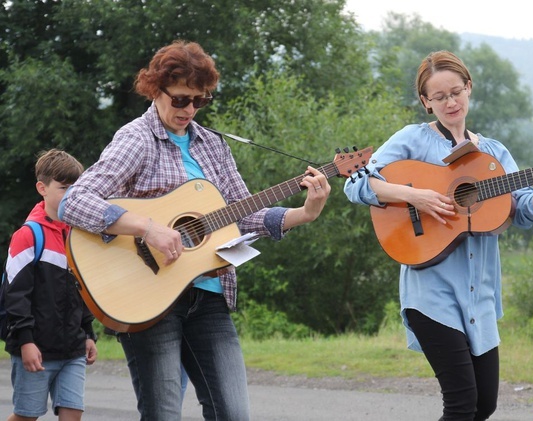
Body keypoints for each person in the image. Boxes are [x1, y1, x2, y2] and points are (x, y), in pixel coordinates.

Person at [58, 40, 331, 421]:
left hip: (210, 297)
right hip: (147, 298)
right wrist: (148, 227)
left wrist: (304, 212)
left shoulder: (214, 146)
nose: (190, 110)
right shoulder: (136, 139)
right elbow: (75, 201)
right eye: (182, 99)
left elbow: (243, 214)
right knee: (164, 415)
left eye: (200, 101)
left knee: (234, 414)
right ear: (156, 89)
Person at [343, 50, 533, 421]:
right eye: (439, 96)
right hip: (431, 295)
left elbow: (522, 207)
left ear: (469, 88)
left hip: (481, 297)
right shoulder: (413, 140)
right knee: (461, 405)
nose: (450, 102)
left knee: (484, 405)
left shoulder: (492, 153)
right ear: (426, 102)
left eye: (456, 92)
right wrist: (416, 196)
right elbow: (356, 183)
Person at [3, 149, 98, 421]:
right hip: (36, 348)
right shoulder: (27, 235)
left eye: (76, 188)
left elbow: (83, 291)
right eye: (64, 188)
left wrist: (88, 333)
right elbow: (15, 295)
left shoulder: (79, 236)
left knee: (73, 414)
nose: (71, 195)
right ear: (42, 188)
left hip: (73, 348)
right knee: (27, 415)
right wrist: (26, 341)